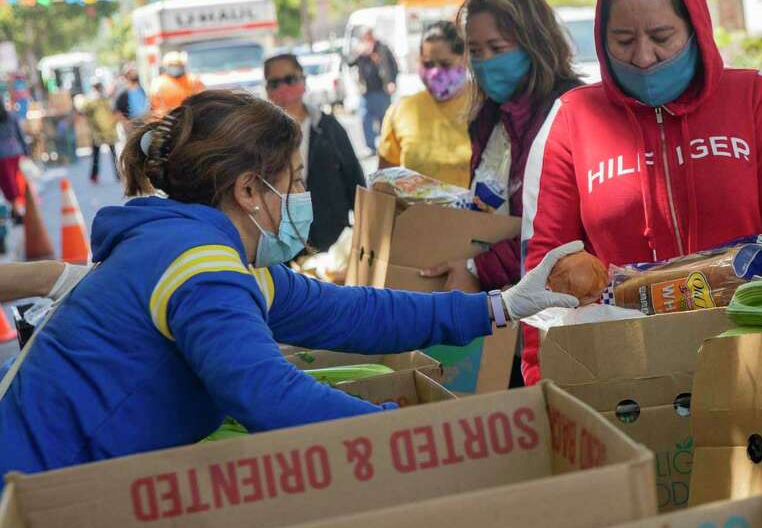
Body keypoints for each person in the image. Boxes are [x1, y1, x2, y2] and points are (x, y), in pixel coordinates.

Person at [0, 90, 581, 475]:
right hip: (39, 492)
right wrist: (413, 440)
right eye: (294, 180)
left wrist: (499, 307)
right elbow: (266, 396)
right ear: (250, 191)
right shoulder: (200, 269)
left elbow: (358, 313)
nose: (303, 197)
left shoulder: (215, 256)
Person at [520, 0, 762, 385]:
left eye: (662, 37)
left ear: (696, 29)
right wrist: (541, 382)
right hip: (626, 374)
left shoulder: (758, 99)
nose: (644, 58)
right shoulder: (571, 120)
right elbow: (544, 267)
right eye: (623, 41)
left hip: (754, 359)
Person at [421, 0, 584, 299]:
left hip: (558, 298)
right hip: (505, 299)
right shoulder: (489, 119)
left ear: (534, 44)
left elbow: (560, 227)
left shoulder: (570, 110)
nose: (484, 62)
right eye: (476, 51)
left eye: (497, 48)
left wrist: (476, 268)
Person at [264, 53, 364, 252]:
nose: (284, 88)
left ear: (303, 80)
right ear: (267, 89)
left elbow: (355, 180)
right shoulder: (259, 136)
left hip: (332, 242)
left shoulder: (328, 127)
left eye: (290, 79)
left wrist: (364, 232)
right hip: (283, 248)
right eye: (275, 83)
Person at [377, 21, 473, 187]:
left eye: (445, 64)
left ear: (464, 59)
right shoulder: (402, 111)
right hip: (417, 213)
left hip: (476, 213)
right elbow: (383, 183)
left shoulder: (485, 105)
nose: (435, 72)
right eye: (428, 64)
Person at [349, 28, 398, 154]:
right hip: (366, 92)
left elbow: (393, 65)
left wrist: (392, 81)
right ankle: (371, 147)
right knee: (365, 118)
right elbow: (349, 63)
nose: (367, 39)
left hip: (382, 90)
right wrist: (359, 53)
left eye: (369, 36)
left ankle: (387, 145)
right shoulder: (360, 50)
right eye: (365, 37)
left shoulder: (382, 48)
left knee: (385, 119)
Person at [83, 77, 119, 184]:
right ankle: (94, 176)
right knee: (97, 156)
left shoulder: (105, 99)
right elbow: (85, 111)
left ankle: (118, 175)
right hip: (98, 133)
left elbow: (114, 112)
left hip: (107, 132)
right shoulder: (91, 100)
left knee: (111, 155)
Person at [150, 51, 205, 117]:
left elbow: (203, 100)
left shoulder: (193, 80)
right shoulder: (158, 83)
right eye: (172, 65)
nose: (175, 67)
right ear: (166, 66)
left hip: (191, 117)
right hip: (167, 119)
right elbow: (155, 106)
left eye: (178, 64)